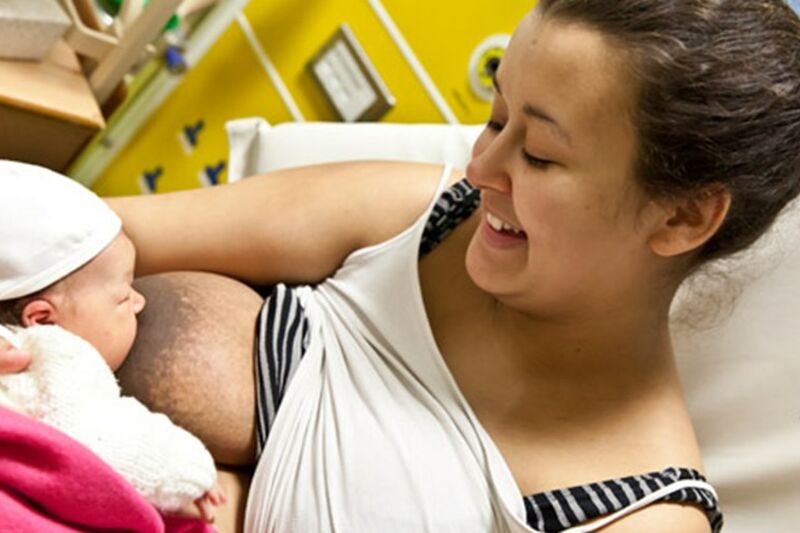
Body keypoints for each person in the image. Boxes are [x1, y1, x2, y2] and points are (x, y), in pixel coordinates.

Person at [4, 0, 800, 530]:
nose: (482, 165)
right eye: (494, 114)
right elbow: (72, 237)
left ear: (682, 215)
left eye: (542, 153)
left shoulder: (636, 516)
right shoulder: (416, 214)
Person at [0, 160, 224, 524]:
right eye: (123, 296)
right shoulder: (56, 356)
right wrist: (189, 469)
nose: (140, 301)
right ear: (43, 319)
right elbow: (106, 433)